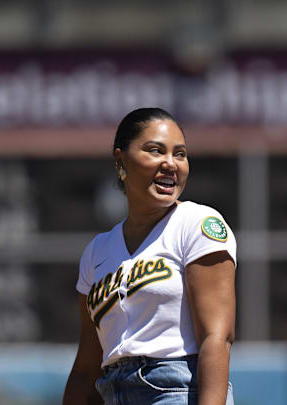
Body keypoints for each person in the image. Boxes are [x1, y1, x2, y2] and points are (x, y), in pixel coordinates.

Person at [63, 107, 237, 405]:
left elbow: (217, 338)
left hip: (176, 389)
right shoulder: (97, 251)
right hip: (112, 393)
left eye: (180, 154)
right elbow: (86, 367)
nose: (171, 163)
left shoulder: (197, 223)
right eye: (155, 150)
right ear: (121, 161)